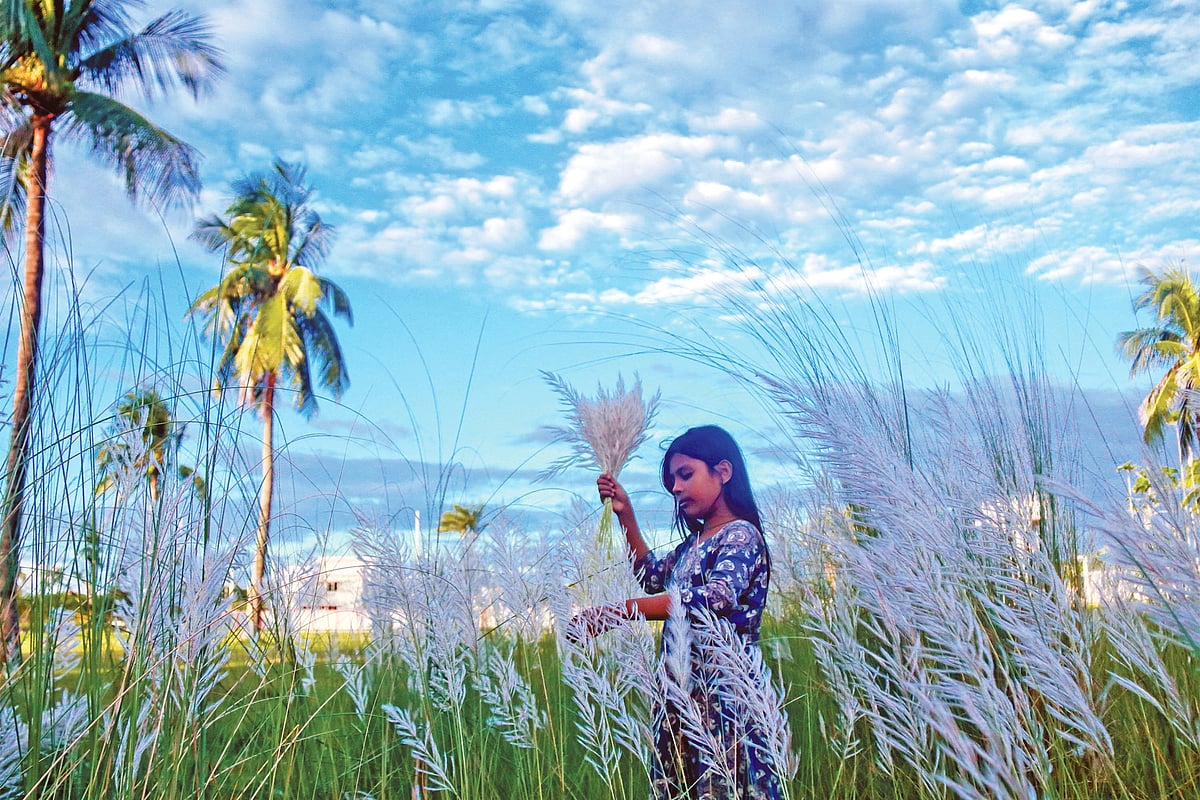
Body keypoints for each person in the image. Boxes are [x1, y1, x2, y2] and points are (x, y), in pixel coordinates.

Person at [572, 424, 782, 800]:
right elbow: (652, 579)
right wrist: (626, 516)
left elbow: (716, 596)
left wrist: (616, 612)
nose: (676, 488)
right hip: (682, 698)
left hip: (725, 700)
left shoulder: (741, 535)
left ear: (723, 471)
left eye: (686, 475)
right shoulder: (693, 545)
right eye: (672, 480)